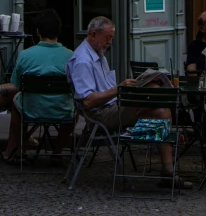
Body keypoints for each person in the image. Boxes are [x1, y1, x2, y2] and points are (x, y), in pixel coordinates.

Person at [67, 15, 192, 189]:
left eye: (112, 38)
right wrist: (119, 88)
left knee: (162, 112)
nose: (110, 42)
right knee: (153, 88)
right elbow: (87, 102)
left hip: (114, 107)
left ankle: (168, 173)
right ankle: (177, 115)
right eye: (107, 38)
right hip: (100, 115)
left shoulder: (98, 54)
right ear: (93, 34)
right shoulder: (82, 60)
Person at [5, 9, 75, 160]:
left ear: (38, 31)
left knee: (16, 102)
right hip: (63, 110)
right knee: (76, 108)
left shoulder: (25, 55)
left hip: (32, 109)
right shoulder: (71, 56)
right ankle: (57, 151)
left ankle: (21, 150)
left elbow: (16, 85)